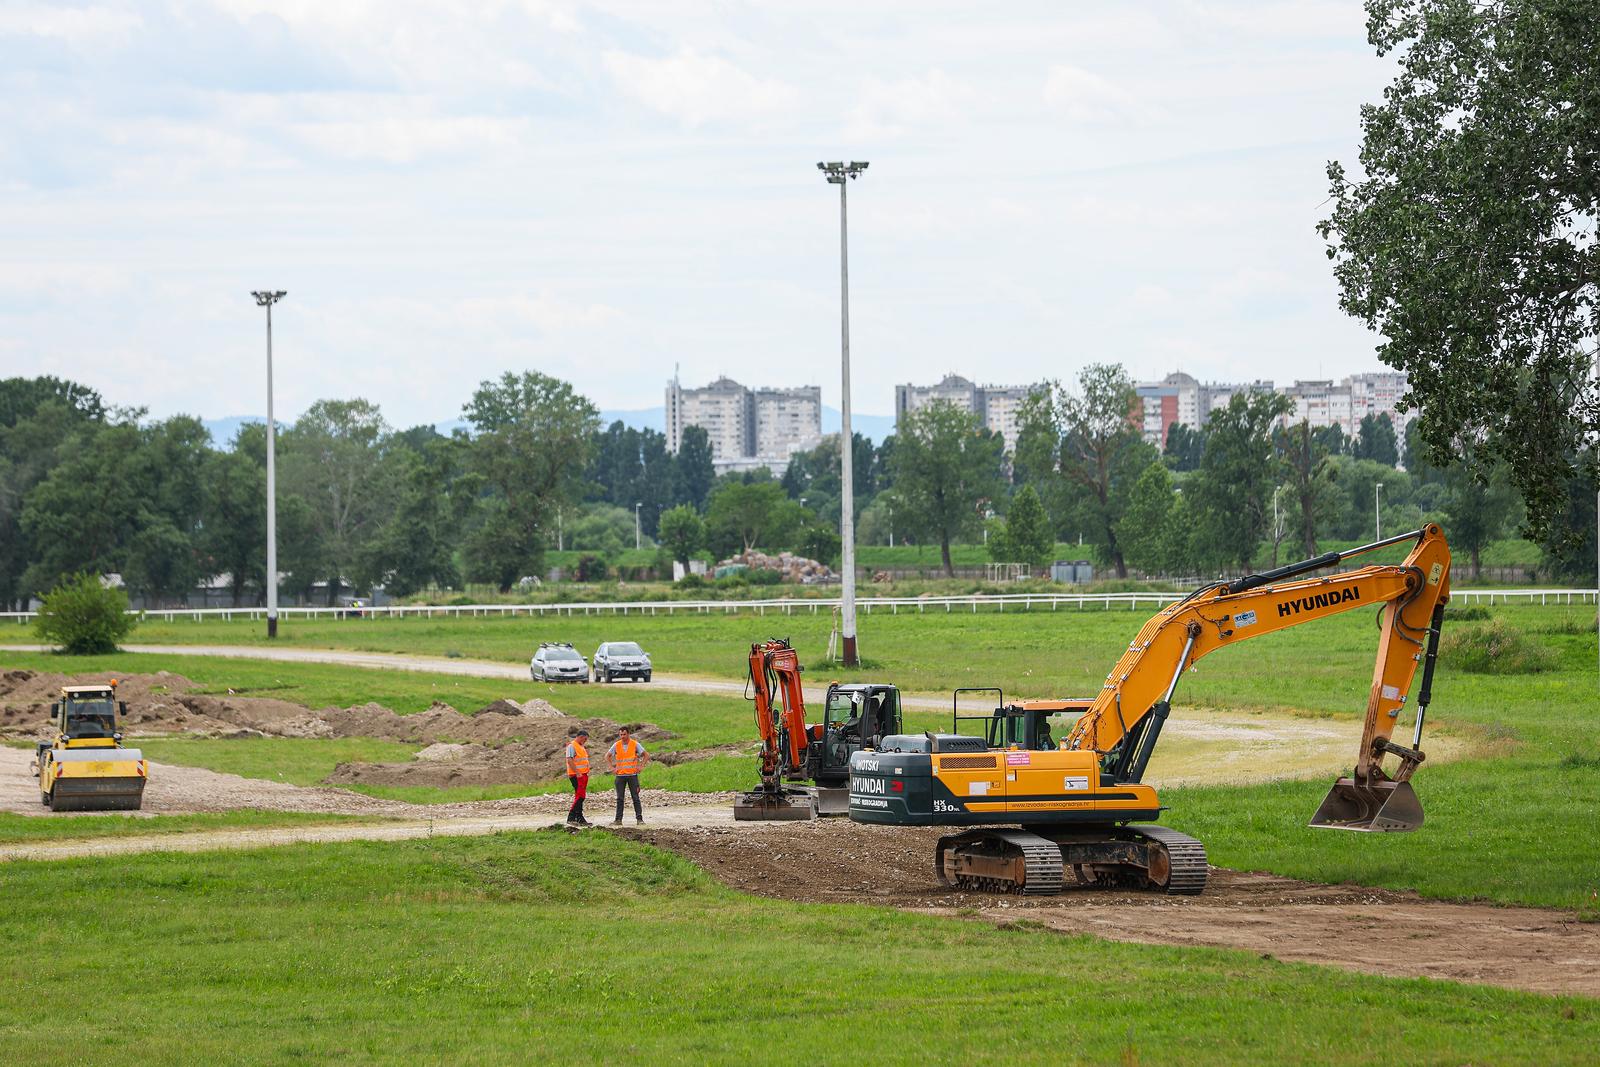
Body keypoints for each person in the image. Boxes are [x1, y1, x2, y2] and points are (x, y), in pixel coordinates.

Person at [606, 725, 651, 825]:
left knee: (635, 798)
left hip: (632, 776)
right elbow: (607, 756)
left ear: (628, 734)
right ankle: (618, 820)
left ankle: (639, 819)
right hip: (620, 776)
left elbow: (646, 755)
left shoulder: (635, 744)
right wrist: (612, 768)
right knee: (620, 799)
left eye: (624, 734)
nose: (622, 736)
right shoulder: (616, 745)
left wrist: (641, 766)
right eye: (621, 734)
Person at [565, 729, 591, 826]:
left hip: (582, 775)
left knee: (580, 796)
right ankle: (571, 817)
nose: (585, 741)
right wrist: (577, 772)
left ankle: (580, 818)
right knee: (580, 796)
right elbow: (569, 760)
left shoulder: (581, 746)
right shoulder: (572, 746)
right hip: (576, 775)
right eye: (585, 739)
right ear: (580, 737)